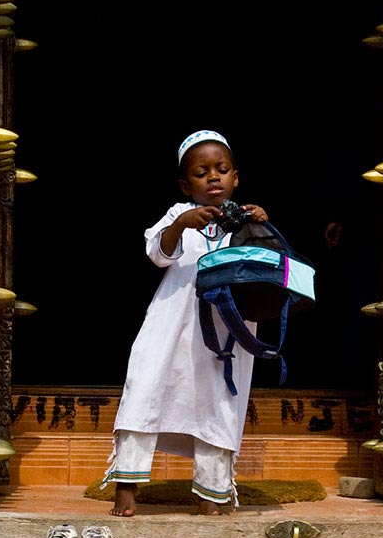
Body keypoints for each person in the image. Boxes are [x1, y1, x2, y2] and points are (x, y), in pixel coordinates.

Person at [104, 130, 268, 517]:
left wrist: (259, 225)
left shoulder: (244, 219)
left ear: (236, 177)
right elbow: (158, 254)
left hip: (225, 332)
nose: (214, 177)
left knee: (217, 405)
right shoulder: (178, 215)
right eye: (202, 172)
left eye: (222, 170)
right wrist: (183, 223)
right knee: (146, 390)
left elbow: (266, 268)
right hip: (172, 325)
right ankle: (126, 487)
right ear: (185, 183)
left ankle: (211, 494)